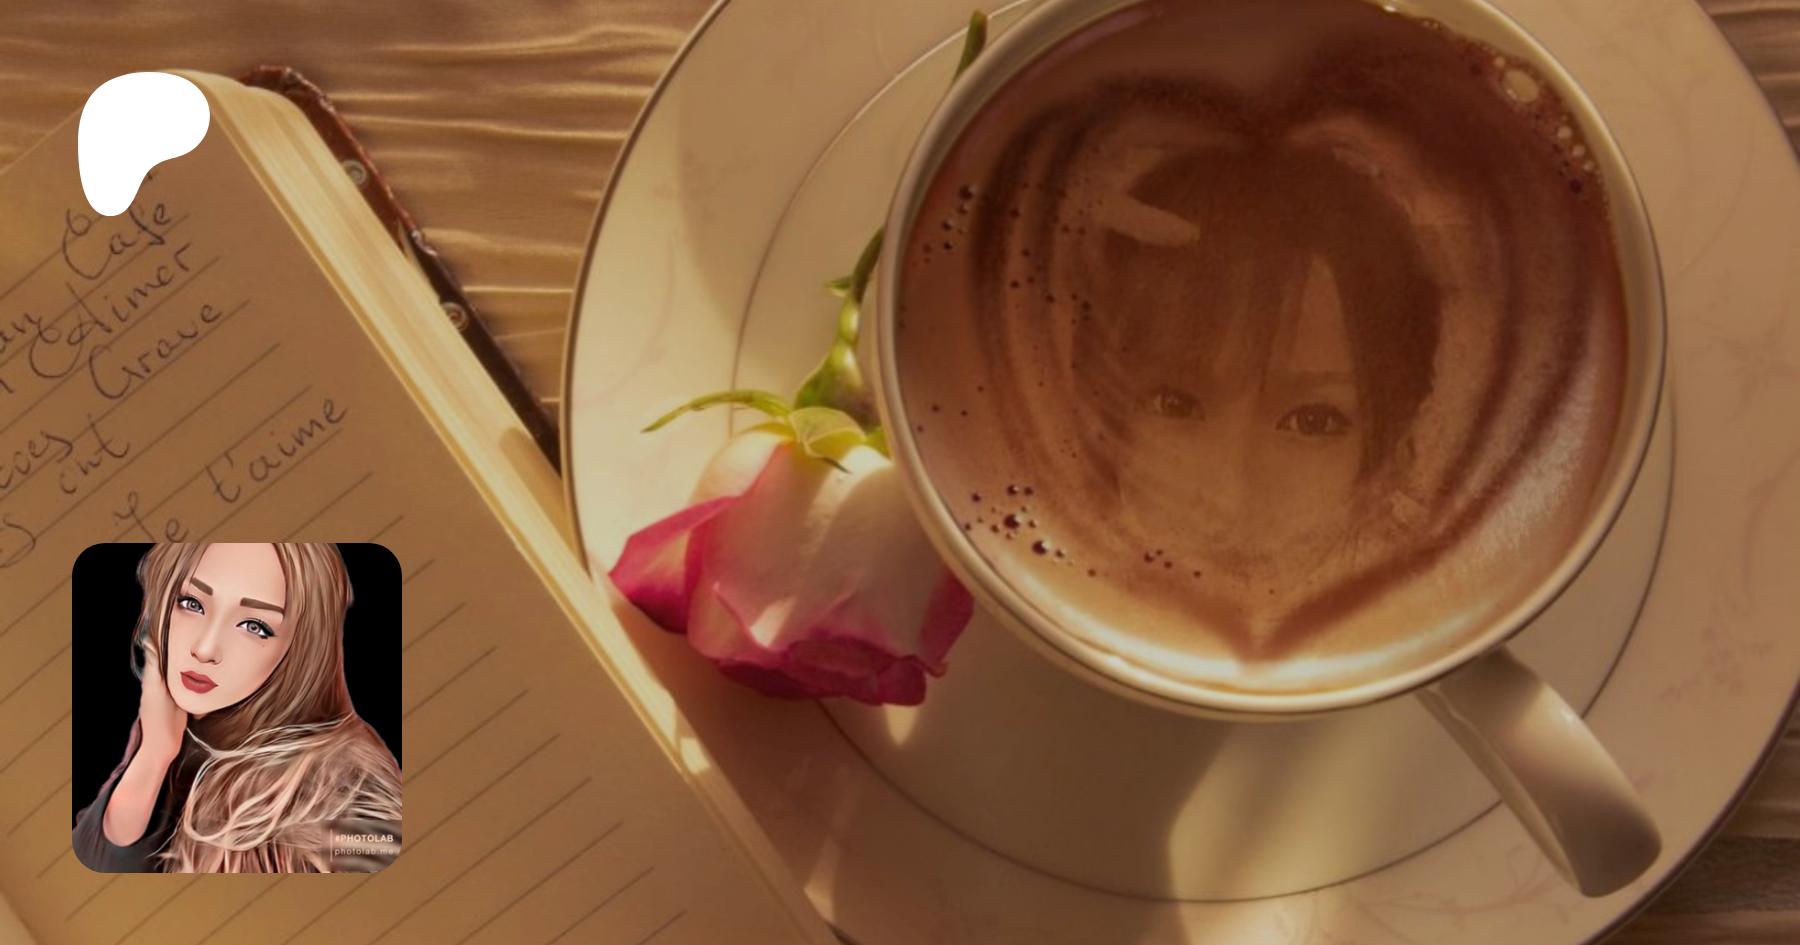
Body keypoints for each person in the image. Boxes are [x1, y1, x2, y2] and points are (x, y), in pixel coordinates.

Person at [73, 543, 401, 872]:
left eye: (254, 626)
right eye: (191, 603)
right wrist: (154, 754)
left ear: (302, 647)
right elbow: (92, 867)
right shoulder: (173, 723)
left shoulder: (347, 780)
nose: (205, 649)